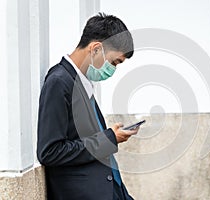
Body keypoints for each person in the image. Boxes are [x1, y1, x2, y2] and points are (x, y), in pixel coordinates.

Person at [37, 13, 138, 200]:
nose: (113, 70)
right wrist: (109, 139)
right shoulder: (59, 82)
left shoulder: (82, 83)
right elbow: (50, 152)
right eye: (114, 62)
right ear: (96, 49)